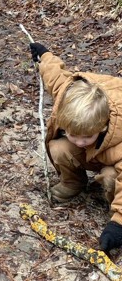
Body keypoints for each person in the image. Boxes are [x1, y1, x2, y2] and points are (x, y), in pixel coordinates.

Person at [29, 42, 122, 253]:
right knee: (60, 148)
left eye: (87, 136)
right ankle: (73, 183)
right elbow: (55, 77)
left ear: (104, 125)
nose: (79, 142)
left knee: (111, 177)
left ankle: (112, 205)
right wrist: (44, 56)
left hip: (113, 155)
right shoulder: (67, 96)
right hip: (97, 151)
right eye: (73, 135)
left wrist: (118, 224)